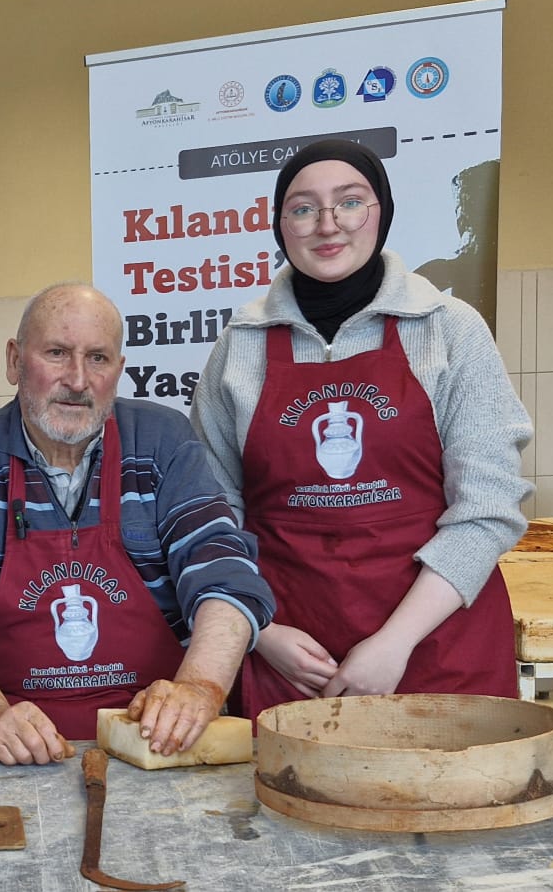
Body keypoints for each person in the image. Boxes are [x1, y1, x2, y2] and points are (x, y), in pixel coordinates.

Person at [190, 139, 532, 719]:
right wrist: (260, 628)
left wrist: (395, 642)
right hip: (295, 656)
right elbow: (213, 511)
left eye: (350, 202)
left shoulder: (448, 331)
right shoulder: (240, 345)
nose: (328, 224)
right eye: (302, 208)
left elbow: (489, 509)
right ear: (280, 224)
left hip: (437, 645)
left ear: (382, 212)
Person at [0, 282, 275, 766]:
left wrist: (199, 687)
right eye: (57, 353)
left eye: (98, 358)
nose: (78, 380)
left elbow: (224, 574)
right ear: (15, 361)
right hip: (10, 747)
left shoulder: (162, 441)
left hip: (157, 741)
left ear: (118, 371)